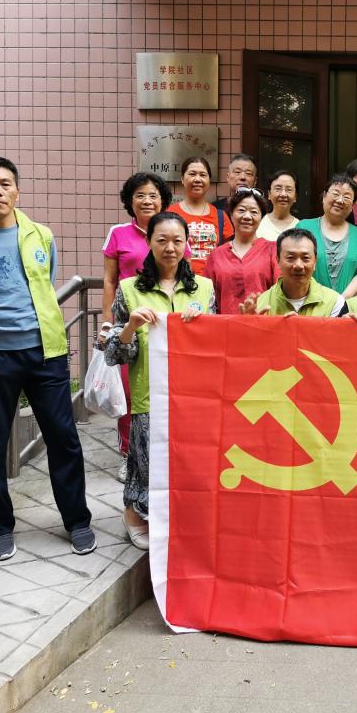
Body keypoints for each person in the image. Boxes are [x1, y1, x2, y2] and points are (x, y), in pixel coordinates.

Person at [0, 156, 95, 560]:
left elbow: (46, 284)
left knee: (63, 439)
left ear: (17, 191)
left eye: (5, 184)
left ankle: (77, 521)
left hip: (44, 354)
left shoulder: (41, 235)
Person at [105, 212, 214, 549]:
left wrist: (203, 326)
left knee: (185, 462)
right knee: (145, 461)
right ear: (148, 242)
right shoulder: (129, 289)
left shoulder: (204, 288)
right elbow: (114, 353)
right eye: (162, 240)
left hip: (192, 395)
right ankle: (134, 515)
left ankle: (173, 517)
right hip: (149, 392)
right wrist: (130, 326)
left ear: (187, 244)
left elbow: (214, 346)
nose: (170, 248)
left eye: (177, 241)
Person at [100, 172, 174, 481]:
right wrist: (108, 323)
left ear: (163, 200)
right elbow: (109, 280)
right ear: (130, 201)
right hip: (130, 324)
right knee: (130, 393)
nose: (147, 200)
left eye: (153, 195)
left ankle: (162, 451)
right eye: (140, 195)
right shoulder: (118, 233)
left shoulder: (170, 230)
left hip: (165, 325)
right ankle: (128, 454)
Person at [202, 187, 279, 314]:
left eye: (254, 212)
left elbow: (281, 293)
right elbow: (206, 297)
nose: (247, 216)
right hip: (226, 324)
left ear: (261, 217)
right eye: (241, 210)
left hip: (263, 323)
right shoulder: (216, 255)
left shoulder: (273, 250)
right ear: (231, 214)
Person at [296, 175, 357, 298]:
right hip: (309, 302)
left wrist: (342, 300)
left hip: (346, 305)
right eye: (336, 194)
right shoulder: (304, 227)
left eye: (347, 197)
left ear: (352, 206)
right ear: (324, 196)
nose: (340, 200)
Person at [243, 228, 346, 317]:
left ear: (315, 262)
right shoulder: (260, 305)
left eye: (305, 258)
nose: (298, 265)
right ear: (278, 260)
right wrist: (250, 323)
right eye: (290, 257)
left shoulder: (335, 303)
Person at [168, 156, 232, 273]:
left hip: (212, 281)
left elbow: (227, 255)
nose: (197, 179)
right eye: (192, 174)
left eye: (203, 175)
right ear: (182, 179)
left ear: (209, 180)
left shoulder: (221, 216)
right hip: (179, 280)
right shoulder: (169, 215)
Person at [256, 169, 300, 240]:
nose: (283, 194)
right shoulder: (258, 222)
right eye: (278, 189)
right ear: (269, 194)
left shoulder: (300, 226)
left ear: (295, 196)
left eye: (288, 189)